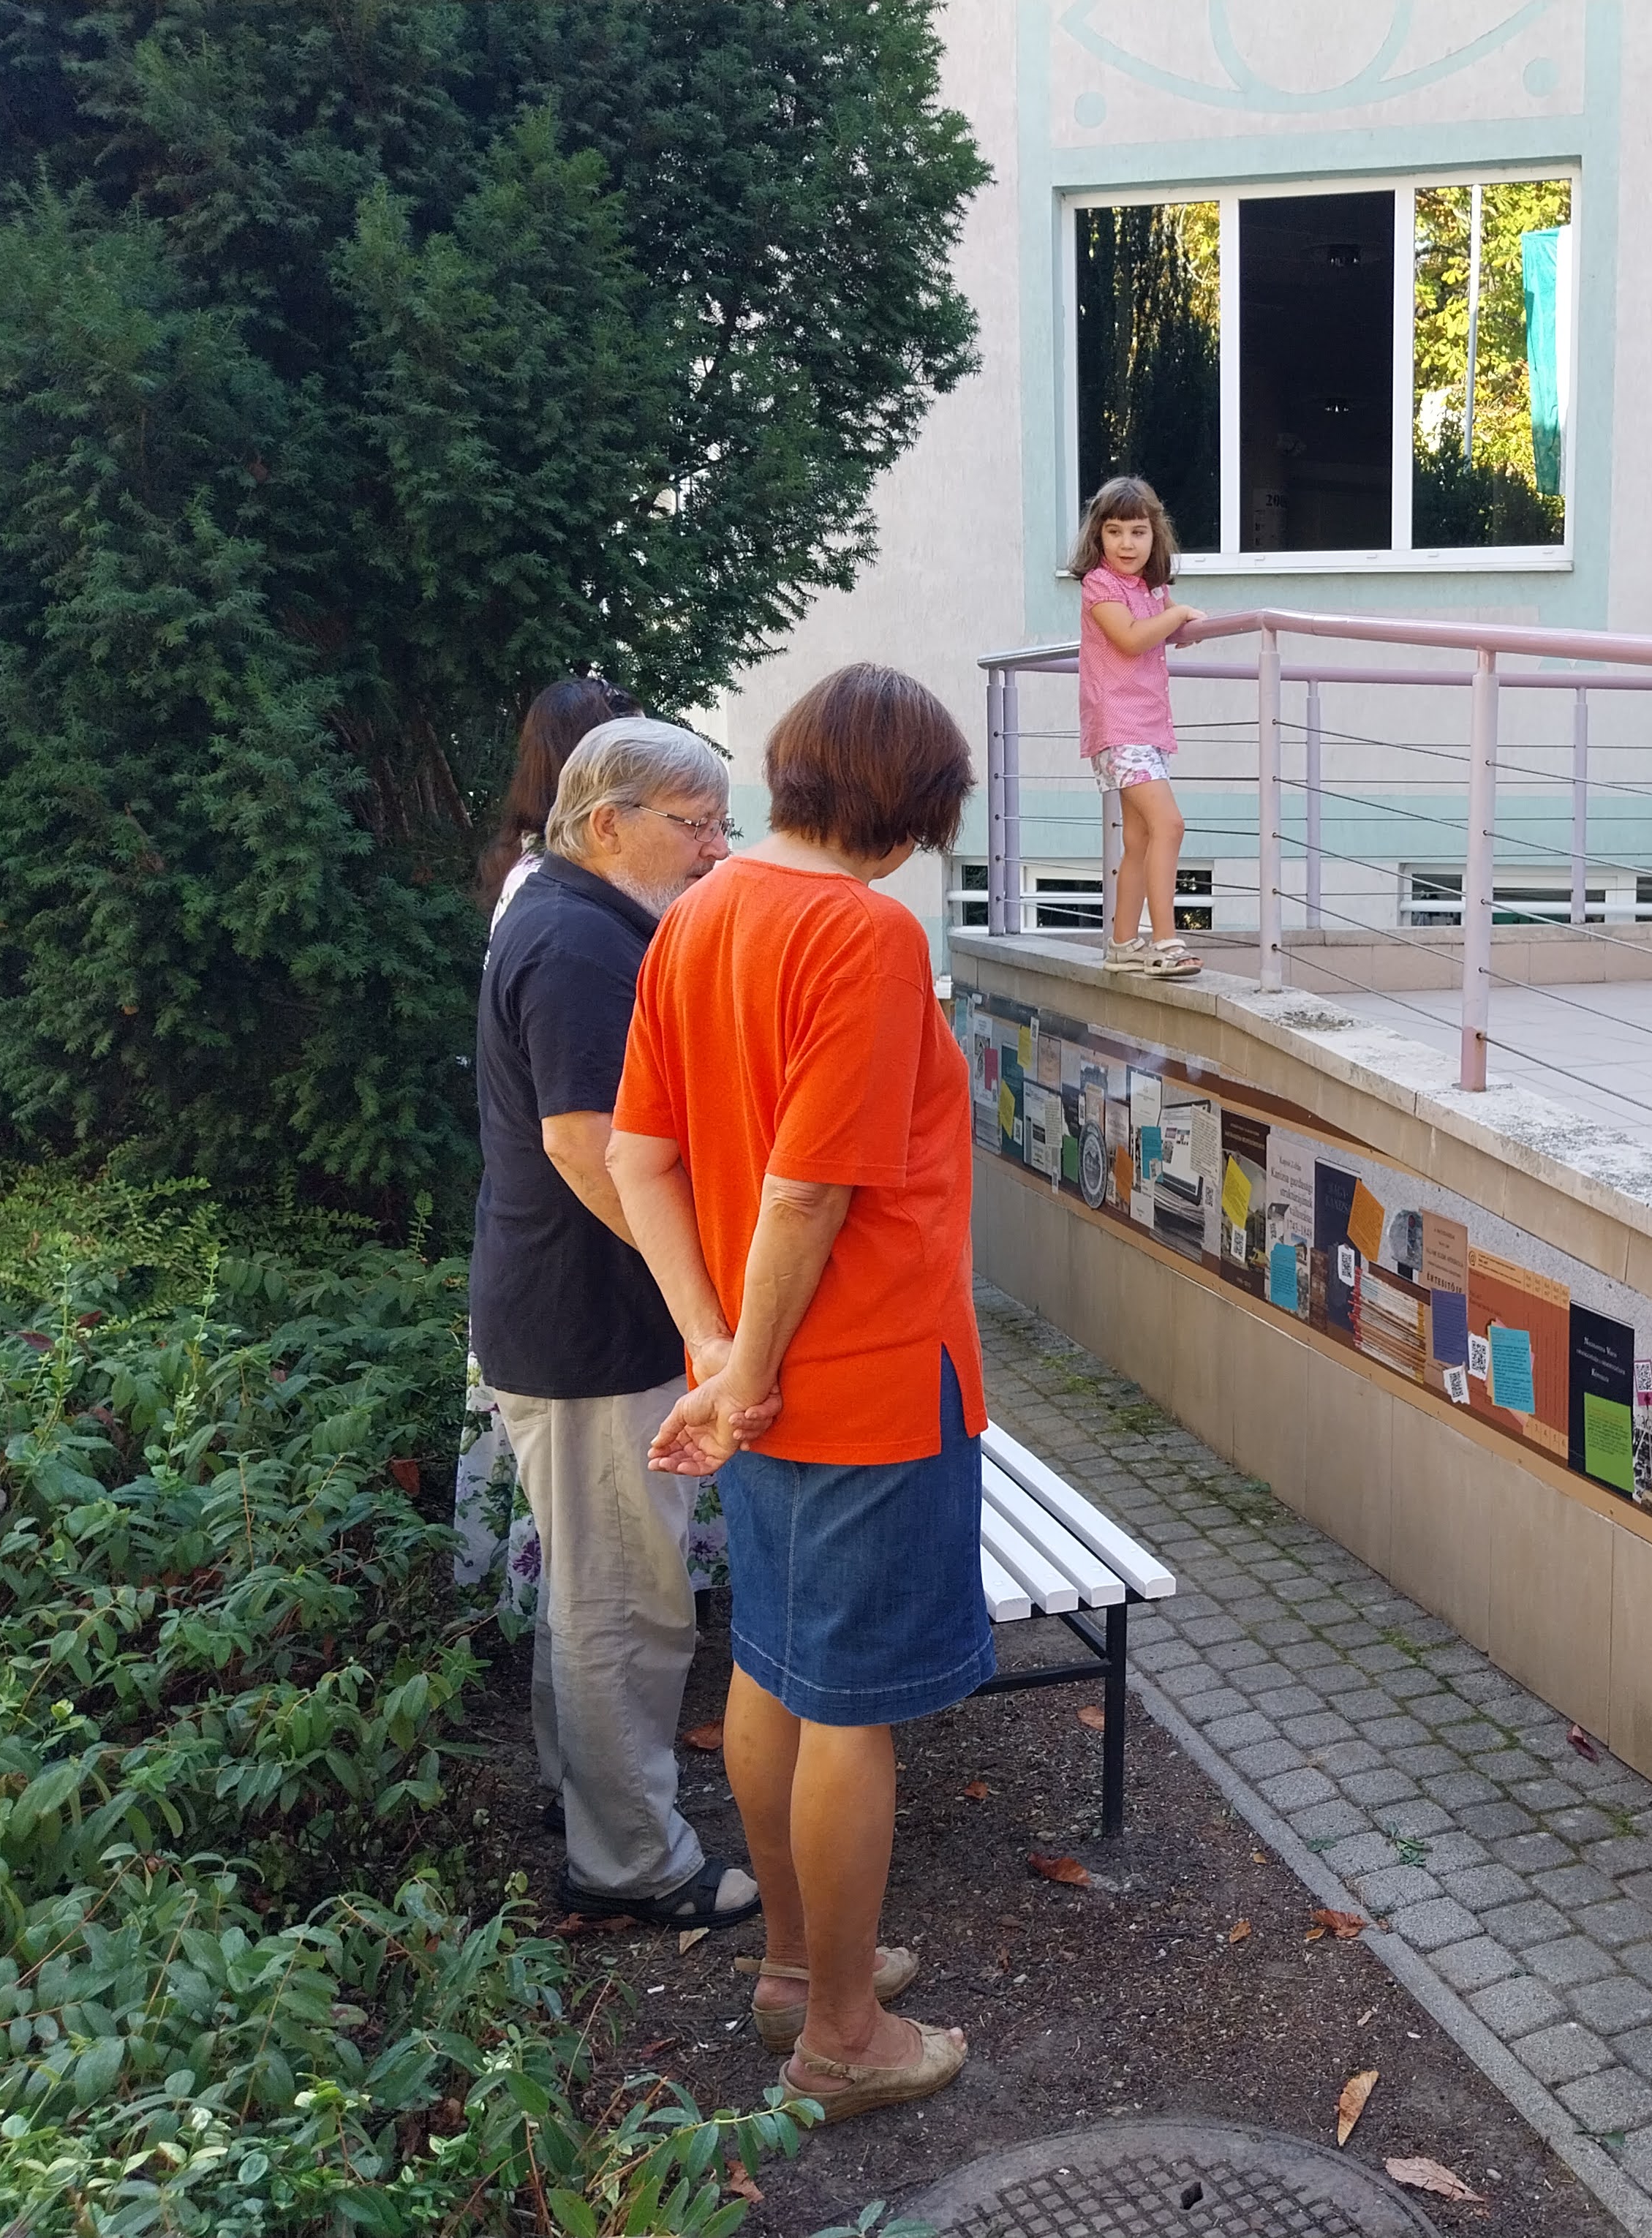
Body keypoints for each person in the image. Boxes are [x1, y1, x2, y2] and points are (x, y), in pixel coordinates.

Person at [608, 662, 993, 2122]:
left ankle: (792, 1970)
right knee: (852, 1710)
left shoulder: (697, 913)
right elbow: (810, 1189)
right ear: (908, 806)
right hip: (866, 1382)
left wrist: (714, 1356)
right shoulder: (865, 932)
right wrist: (752, 1371)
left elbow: (641, 1157)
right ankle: (841, 2036)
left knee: (773, 1667)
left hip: (753, 1387)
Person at [472, 715, 758, 1932]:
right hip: (587, 1325)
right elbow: (587, 1149)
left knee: (589, 1585)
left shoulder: (570, 913)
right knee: (626, 1601)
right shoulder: (581, 944)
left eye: (719, 823)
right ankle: (632, 1861)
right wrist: (704, 1297)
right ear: (608, 824)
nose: (715, 848)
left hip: (564, 1312)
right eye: (694, 825)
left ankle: (584, 1796)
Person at [1072, 475, 1203, 978]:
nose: (1126, 544)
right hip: (1119, 727)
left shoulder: (1152, 587)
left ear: (1155, 535)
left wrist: (1182, 624)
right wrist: (1178, 616)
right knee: (1170, 824)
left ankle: (1123, 943)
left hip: (1147, 727)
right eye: (1115, 532)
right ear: (1098, 537)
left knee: (1141, 839)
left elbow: (1169, 631)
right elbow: (1130, 639)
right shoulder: (1100, 585)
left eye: (1138, 532)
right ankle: (1166, 942)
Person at [483, 674, 643, 921]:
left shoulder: (562, 871)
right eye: (638, 754)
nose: (653, 768)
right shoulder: (557, 897)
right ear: (589, 765)